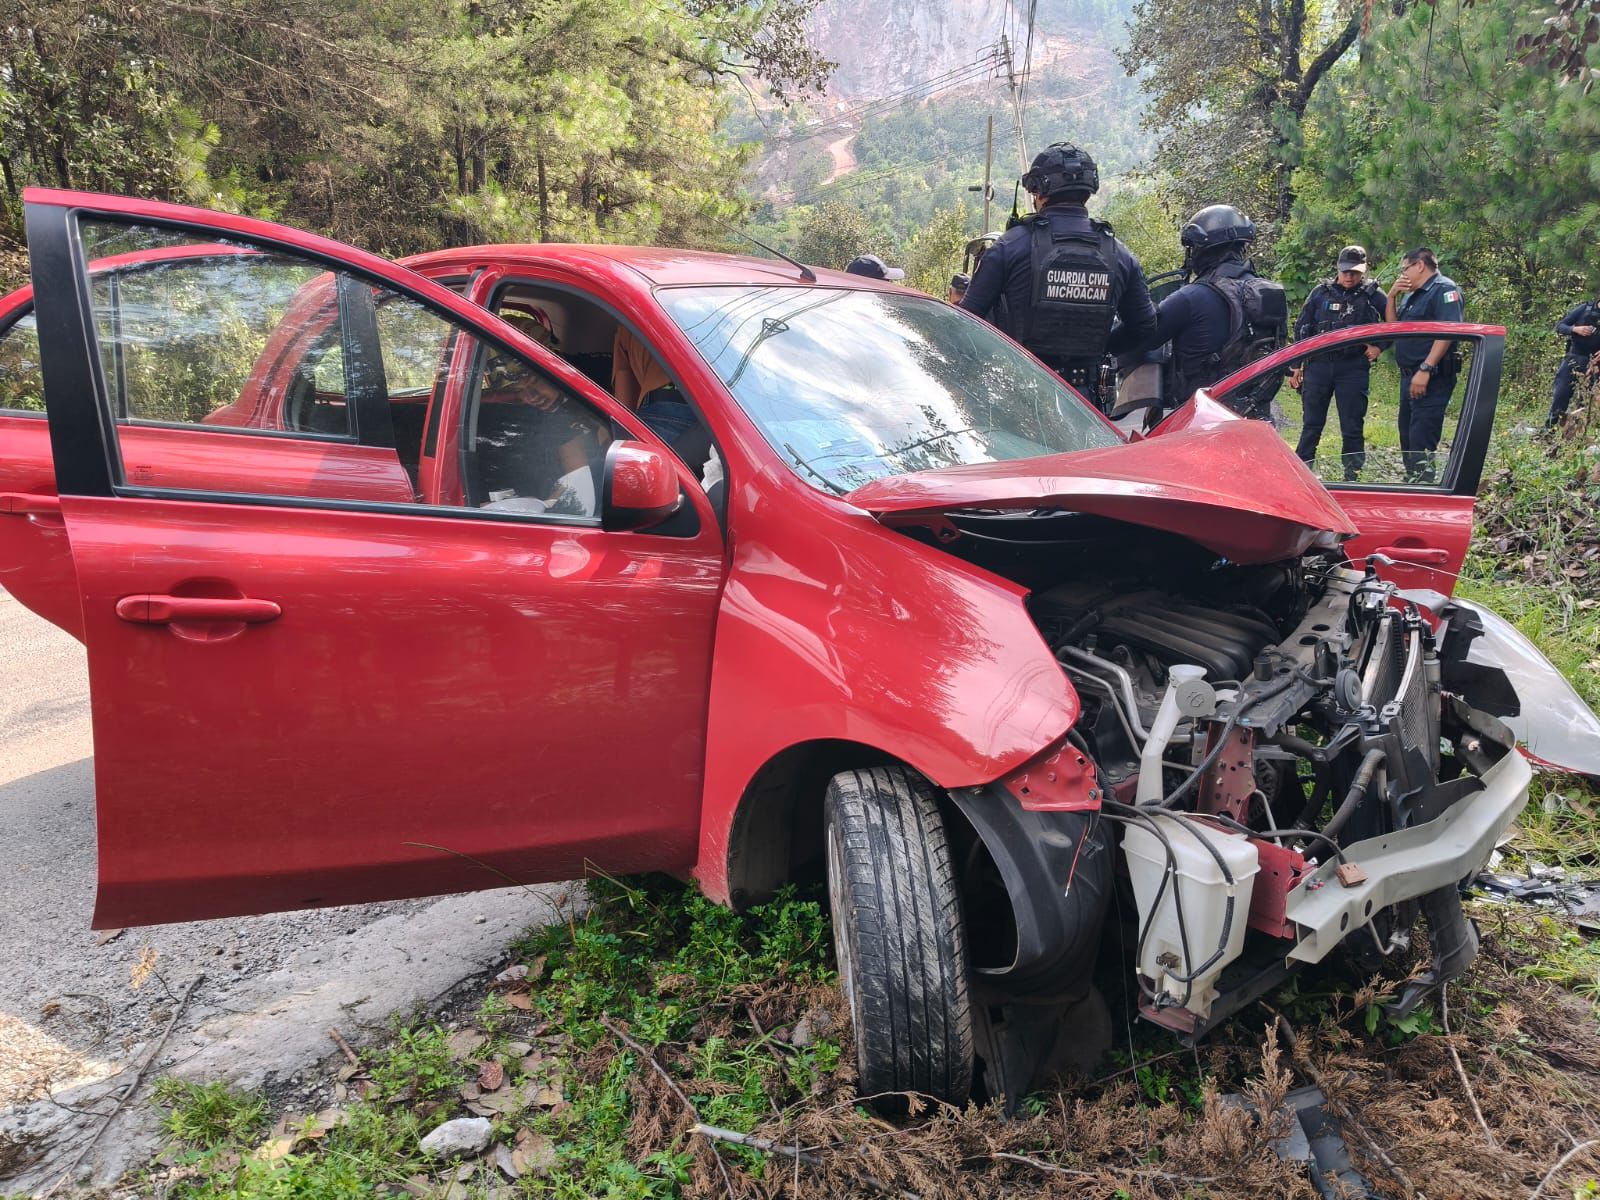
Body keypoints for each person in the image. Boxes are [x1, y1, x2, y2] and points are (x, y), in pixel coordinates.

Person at [959, 142, 1155, 406]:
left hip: (1018, 396)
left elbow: (966, 322)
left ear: (1040, 191)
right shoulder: (1120, 255)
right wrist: (1100, 346)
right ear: (1088, 190)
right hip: (1084, 404)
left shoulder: (1009, 246)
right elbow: (1144, 327)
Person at [1106, 204, 1286, 419]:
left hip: (1202, 421)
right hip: (1257, 418)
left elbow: (1139, 336)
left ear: (1200, 248)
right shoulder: (1270, 293)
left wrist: (1100, 341)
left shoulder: (1191, 297)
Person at [1287, 246, 1388, 479]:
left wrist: (1380, 346)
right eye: (1345, 272)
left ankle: (1352, 475)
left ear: (1364, 270)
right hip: (1319, 366)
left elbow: (1394, 323)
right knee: (1311, 423)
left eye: (1354, 272)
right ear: (1337, 269)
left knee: (1352, 424)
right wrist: (1295, 366)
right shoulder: (1320, 293)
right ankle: (1302, 472)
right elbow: (1302, 328)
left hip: (1353, 366)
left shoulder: (1373, 295)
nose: (1349, 277)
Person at [1386, 247, 1464, 482]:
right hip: (1409, 375)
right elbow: (1394, 329)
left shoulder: (1444, 290)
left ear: (1419, 265)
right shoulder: (1413, 294)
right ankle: (1413, 484)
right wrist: (1391, 297)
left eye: (1405, 268)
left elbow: (1448, 332)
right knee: (1408, 438)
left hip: (1432, 377)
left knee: (1422, 439)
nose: (1403, 274)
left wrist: (1426, 368)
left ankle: (1423, 488)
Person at [1549, 291, 1600, 427]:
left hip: (1595, 366)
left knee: (1587, 403)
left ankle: (1577, 436)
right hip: (1574, 359)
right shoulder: (1585, 308)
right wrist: (1575, 329)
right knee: (1560, 396)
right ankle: (1548, 430)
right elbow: (1560, 326)